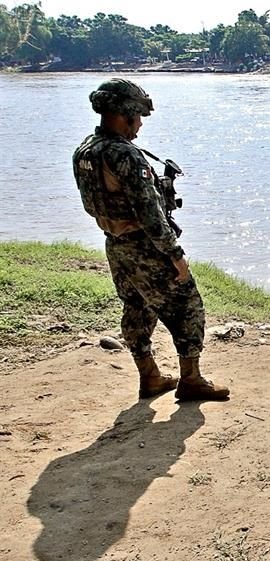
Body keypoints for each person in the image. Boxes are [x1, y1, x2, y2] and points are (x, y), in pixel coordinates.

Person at [72, 78, 229, 401]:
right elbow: (150, 213)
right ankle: (191, 379)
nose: (140, 125)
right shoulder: (124, 155)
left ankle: (150, 376)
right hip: (145, 245)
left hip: (115, 243)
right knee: (188, 305)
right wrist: (175, 253)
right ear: (124, 114)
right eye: (138, 117)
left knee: (137, 307)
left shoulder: (85, 150)